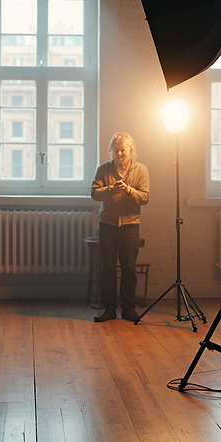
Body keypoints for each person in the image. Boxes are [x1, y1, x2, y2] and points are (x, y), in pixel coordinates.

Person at [90, 132, 150, 323]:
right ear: (112, 151)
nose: (120, 154)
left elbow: (145, 197)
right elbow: (94, 193)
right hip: (107, 224)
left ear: (131, 150)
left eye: (123, 150)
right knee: (107, 268)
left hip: (130, 226)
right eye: (116, 151)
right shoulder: (103, 169)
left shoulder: (141, 170)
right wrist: (111, 190)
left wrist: (129, 191)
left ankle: (128, 309)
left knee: (129, 269)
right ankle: (108, 309)